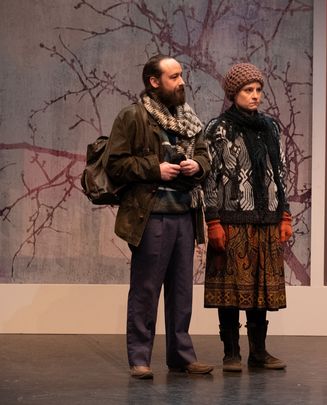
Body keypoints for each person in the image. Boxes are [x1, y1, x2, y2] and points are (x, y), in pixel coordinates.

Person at [106, 54, 214, 379]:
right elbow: (115, 164)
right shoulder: (133, 116)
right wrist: (156, 169)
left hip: (185, 214)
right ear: (154, 82)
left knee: (182, 291)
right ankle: (140, 358)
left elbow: (204, 153)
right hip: (151, 215)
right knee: (146, 290)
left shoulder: (187, 119)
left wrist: (198, 166)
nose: (181, 82)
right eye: (174, 76)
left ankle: (181, 355)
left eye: (181, 75)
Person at [202, 62, 292, 372]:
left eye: (258, 90)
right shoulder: (217, 129)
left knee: (258, 289)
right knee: (230, 287)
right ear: (233, 94)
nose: (255, 96)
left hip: (266, 218)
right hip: (232, 218)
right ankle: (231, 353)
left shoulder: (270, 127)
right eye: (247, 90)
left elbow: (279, 173)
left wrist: (285, 214)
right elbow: (209, 178)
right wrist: (213, 220)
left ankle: (259, 351)